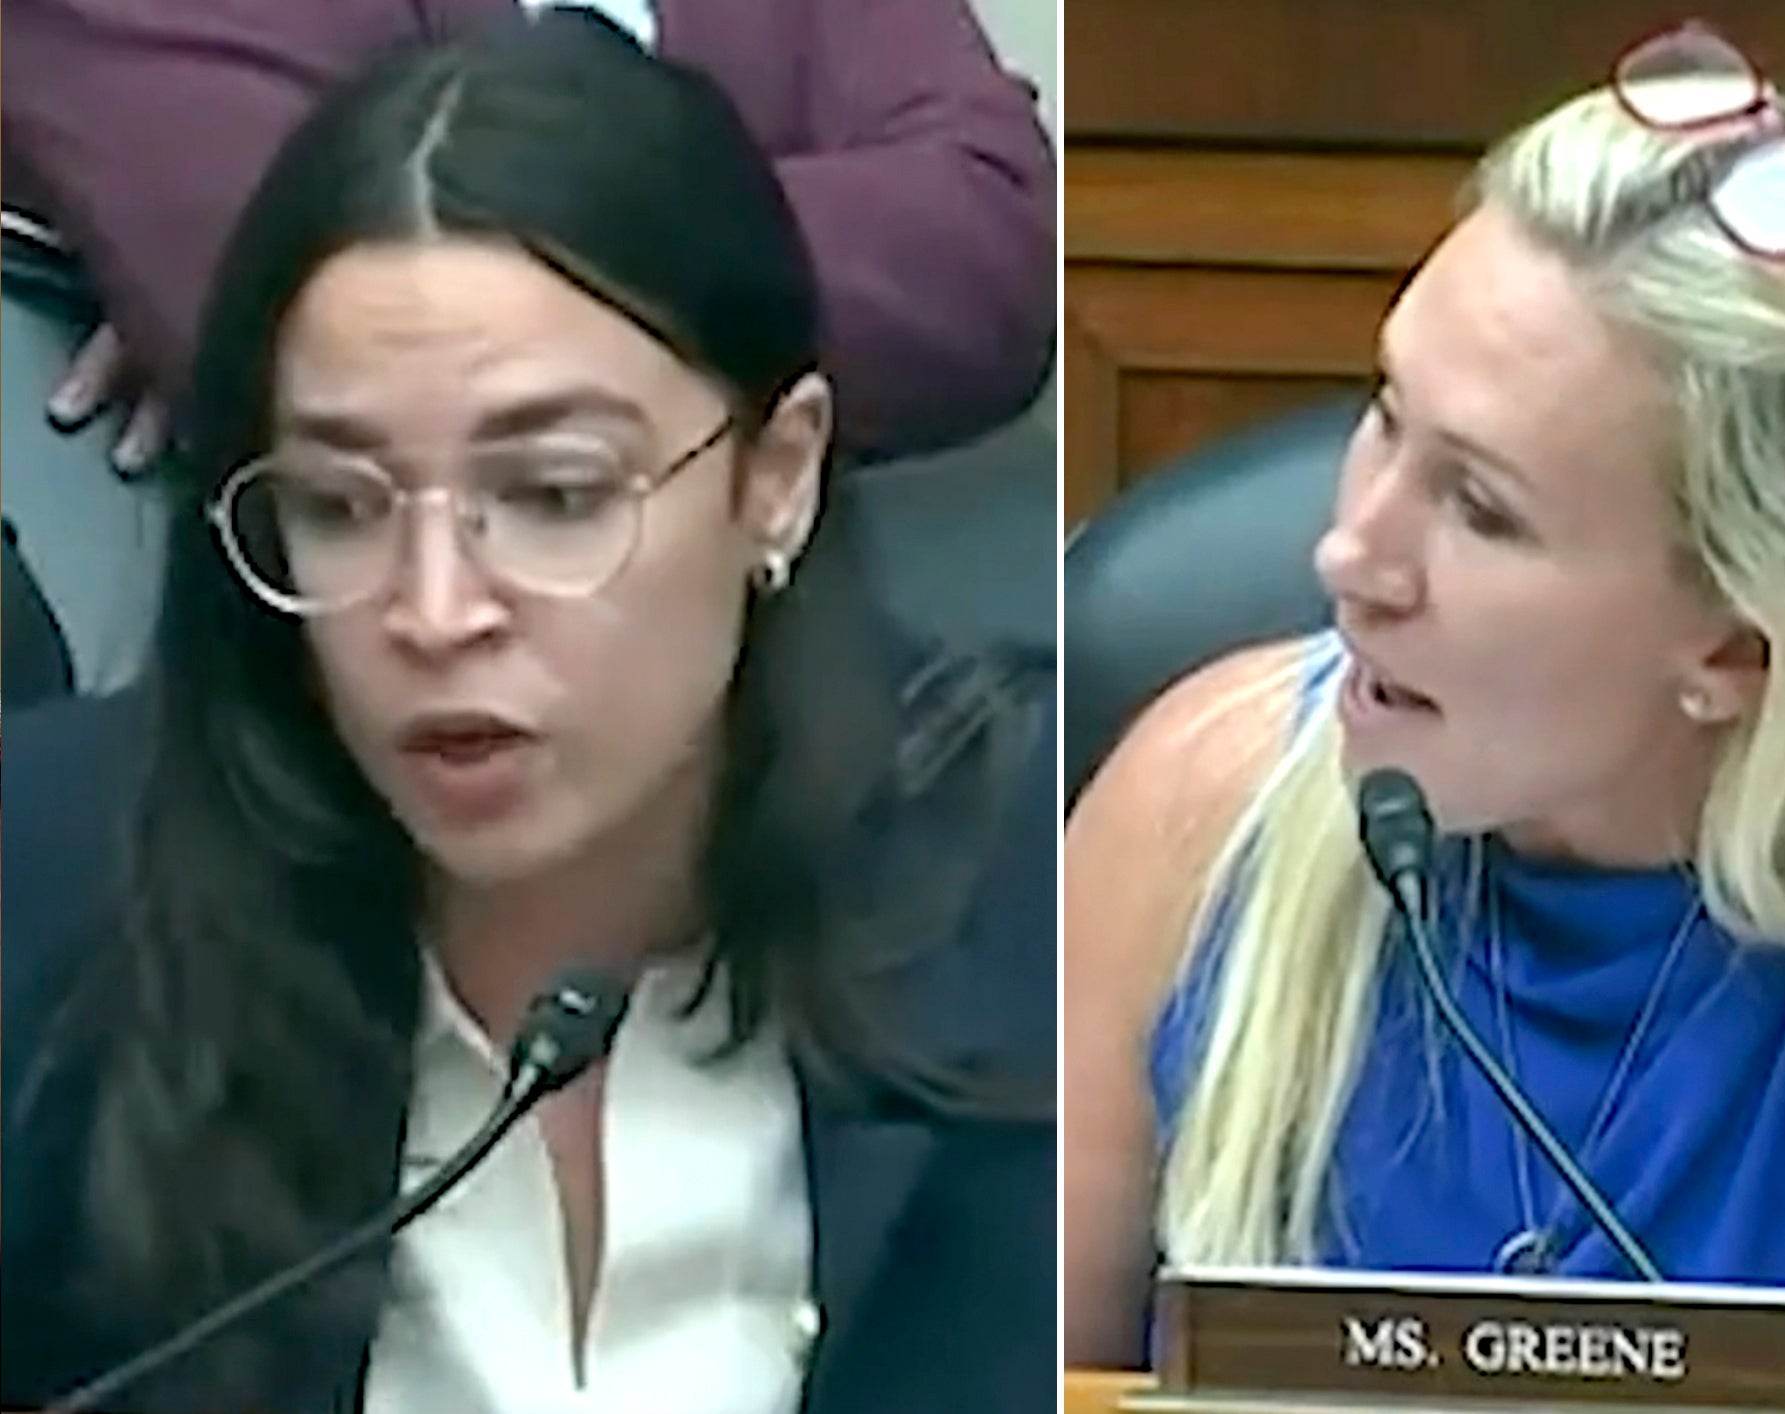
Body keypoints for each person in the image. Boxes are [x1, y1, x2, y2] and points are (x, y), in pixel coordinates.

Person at [1, 13, 1055, 1414]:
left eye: (557, 496)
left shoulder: (1040, 879)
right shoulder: (51, 882)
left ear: (776, 476)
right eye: (338, 504)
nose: (435, 610)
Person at [1065, 21, 1785, 1409]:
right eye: (1387, 419)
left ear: (1741, 647)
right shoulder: (1210, 796)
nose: (1353, 558)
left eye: (1482, 506)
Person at [4, 0, 1055, 465]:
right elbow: (314, 319)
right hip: (337, 789)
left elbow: (1001, 242)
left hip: (835, 714)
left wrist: (482, 241)